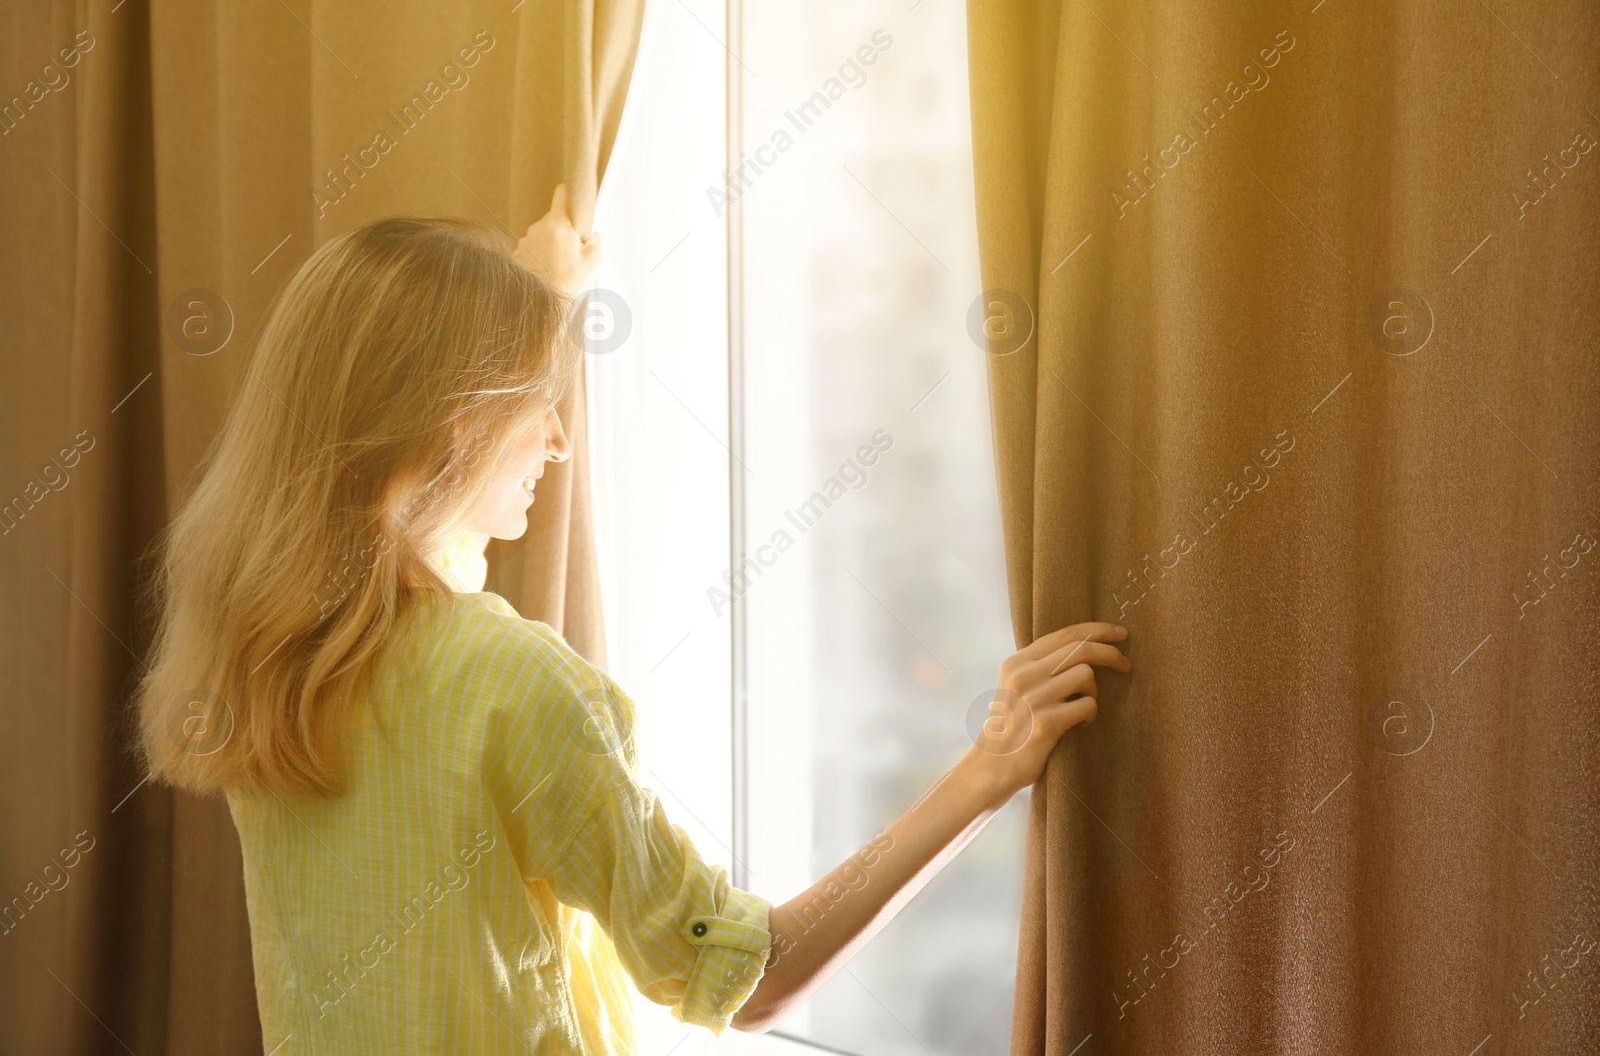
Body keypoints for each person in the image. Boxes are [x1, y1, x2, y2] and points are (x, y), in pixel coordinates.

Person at [133, 185, 1131, 1053]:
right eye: (536, 403)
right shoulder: (514, 683)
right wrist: (987, 768)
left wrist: (540, 305)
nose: (561, 440)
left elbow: (414, 532)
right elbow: (751, 976)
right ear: (454, 425)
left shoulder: (259, 643)